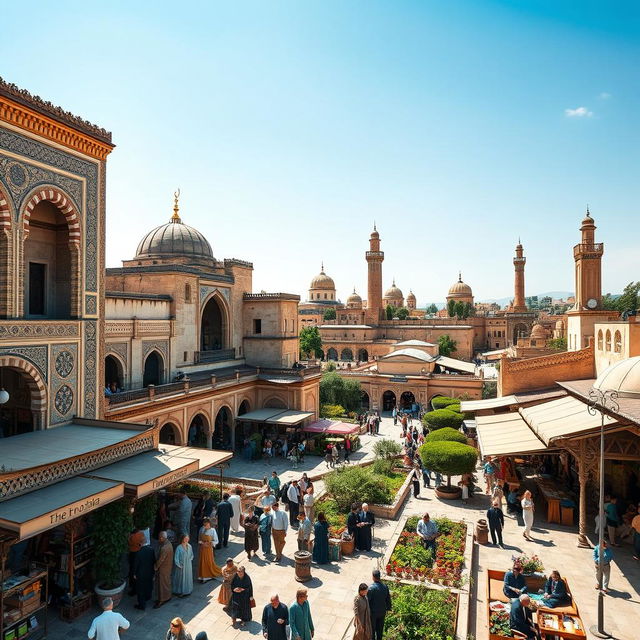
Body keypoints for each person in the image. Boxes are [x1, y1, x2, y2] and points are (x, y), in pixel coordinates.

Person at [367, 570, 391, 640]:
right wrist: (388, 608)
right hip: (382, 612)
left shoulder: (371, 588)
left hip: (373, 613)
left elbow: (367, 601)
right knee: (380, 630)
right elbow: (388, 599)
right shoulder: (385, 586)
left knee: (372, 630)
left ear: (373, 577)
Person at [154, 531, 174, 608]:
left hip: (163, 569)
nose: (159, 539)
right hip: (168, 567)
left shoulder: (164, 548)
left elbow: (161, 560)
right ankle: (168, 597)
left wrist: (156, 567)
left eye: (159, 538)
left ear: (162, 538)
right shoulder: (169, 543)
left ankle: (162, 600)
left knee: (162, 585)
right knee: (166, 582)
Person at [133, 542, 155, 610]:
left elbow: (135, 565)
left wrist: (134, 573)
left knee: (140, 590)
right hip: (150, 572)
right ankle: (148, 597)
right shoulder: (151, 550)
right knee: (149, 585)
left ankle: (142, 605)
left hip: (141, 574)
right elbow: (154, 561)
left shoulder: (138, 552)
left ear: (140, 544)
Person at [127, 527, 145, 595]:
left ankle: (134, 588)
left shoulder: (131, 537)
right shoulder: (141, 533)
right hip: (140, 552)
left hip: (133, 554)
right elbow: (144, 541)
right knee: (138, 569)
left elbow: (128, 543)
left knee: (133, 571)